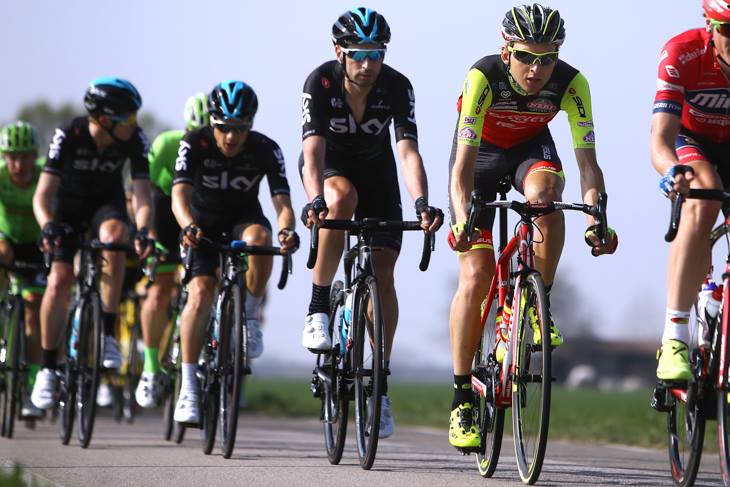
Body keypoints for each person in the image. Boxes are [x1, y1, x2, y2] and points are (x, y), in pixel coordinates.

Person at [446, 3, 618, 450]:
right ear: (507, 52)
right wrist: (462, 217)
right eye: (527, 56)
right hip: (480, 160)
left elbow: (587, 165)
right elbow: (461, 167)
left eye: (548, 57)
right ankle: (462, 395)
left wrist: (598, 216)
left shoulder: (572, 83)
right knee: (476, 275)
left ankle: (534, 304)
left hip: (529, 149)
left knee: (546, 199)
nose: (537, 69)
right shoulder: (482, 77)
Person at [300, 7, 443, 439]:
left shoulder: (397, 86)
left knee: (382, 276)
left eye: (375, 54)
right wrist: (315, 199)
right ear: (339, 52)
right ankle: (319, 304)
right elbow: (312, 154)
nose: (367, 65)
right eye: (358, 54)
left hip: (379, 175)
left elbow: (407, 152)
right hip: (333, 171)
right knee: (341, 198)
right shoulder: (320, 83)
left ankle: (379, 384)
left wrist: (422, 202)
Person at [171, 81, 298, 424]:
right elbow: (179, 195)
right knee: (199, 294)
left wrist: (287, 230)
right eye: (223, 128)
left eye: (240, 129)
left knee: (261, 238)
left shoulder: (265, 149)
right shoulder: (194, 143)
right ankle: (189, 388)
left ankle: (250, 315)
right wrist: (186, 225)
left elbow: (282, 204)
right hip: (202, 224)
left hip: (244, 219)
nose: (230, 137)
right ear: (212, 123)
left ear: (251, 125)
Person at [30, 77, 154, 410]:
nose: (134, 123)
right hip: (66, 207)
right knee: (58, 281)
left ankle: (108, 333)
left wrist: (142, 230)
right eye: (127, 117)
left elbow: (142, 195)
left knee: (114, 239)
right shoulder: (68, 134)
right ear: (103, 118)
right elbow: (42, 196)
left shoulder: (134, 140)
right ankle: (47, 367)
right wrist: (47, 226)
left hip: (105, 206)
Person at [652, 0, 730, 381]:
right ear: (710, 25)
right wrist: (671, 172)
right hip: (691, 139)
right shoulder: (682, 52)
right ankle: (676, 335)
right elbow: (660, 138)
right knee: (706, 195)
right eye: (727, 29)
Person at [134, 93, 209, 408]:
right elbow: (141, 194)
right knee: (158, 291)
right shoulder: (167, 144)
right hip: (165, 212)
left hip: (203, 214)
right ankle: (150, 366)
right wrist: (149, 234)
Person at [0, 122, 47, 418]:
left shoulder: (44, 176)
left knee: (33, 310)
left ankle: (30, 385)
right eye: (12, 157)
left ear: (35, 156)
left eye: (25, 156)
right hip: (5, 238)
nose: (18, 164)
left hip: (34, 244)